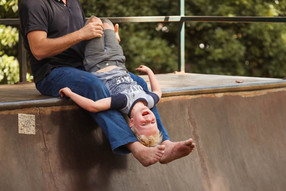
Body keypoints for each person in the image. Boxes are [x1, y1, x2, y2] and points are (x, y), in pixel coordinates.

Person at [19, 1, 194, 167]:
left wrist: (107, 41)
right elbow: (39, 49)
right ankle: (136, 148)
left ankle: (166, 144)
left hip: (85, 65)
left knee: (138, 82)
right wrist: (83, 33)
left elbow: (82, 38)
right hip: (53, 72)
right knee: (93, 85)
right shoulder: (34, 2)